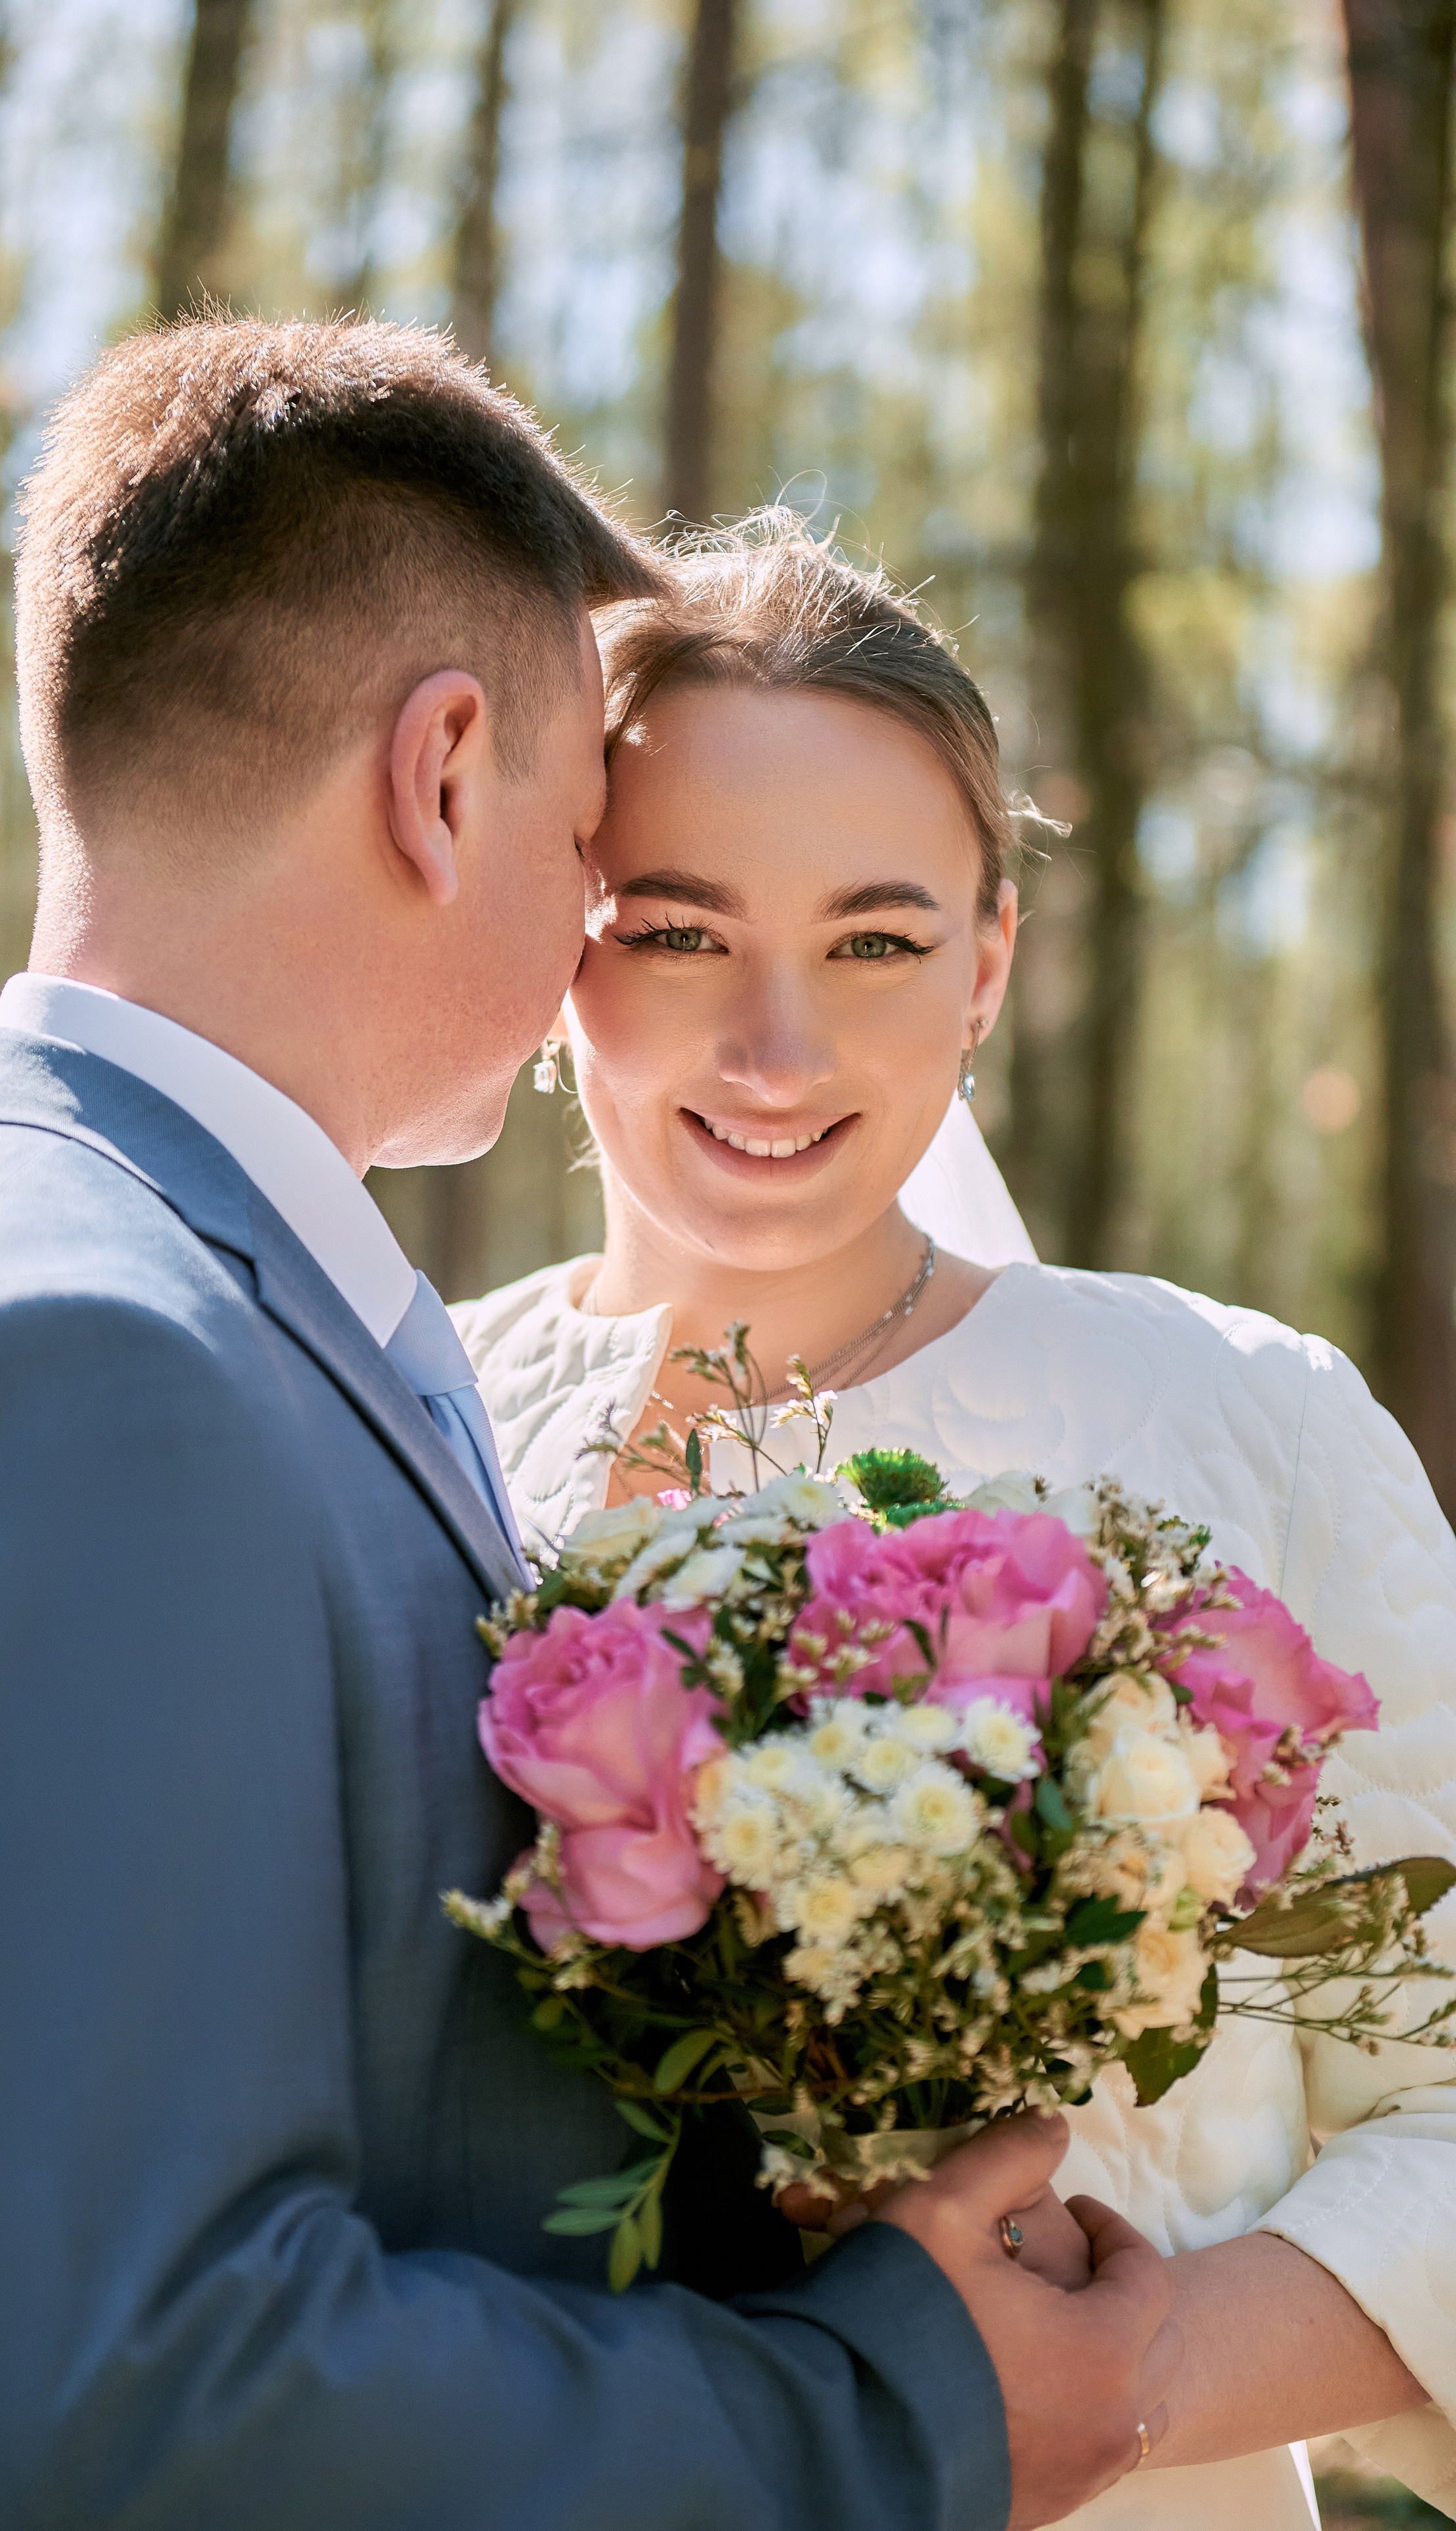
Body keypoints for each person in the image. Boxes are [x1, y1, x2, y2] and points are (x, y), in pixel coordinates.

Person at [0, 321, 1177, 2530]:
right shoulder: (85, 1355)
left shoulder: (143, 1283)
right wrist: (898, 2403)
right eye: (590, 840)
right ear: (443, 778)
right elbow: (155, 2396)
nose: (596, 924)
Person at [450, 516, 1456, 2530]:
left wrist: (1117, 2376)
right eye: (677, 926)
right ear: (561, 939)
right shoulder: (402, 1425)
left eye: (877, 940)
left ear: (990, 959)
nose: (778, 1046)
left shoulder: (1239, 1423)